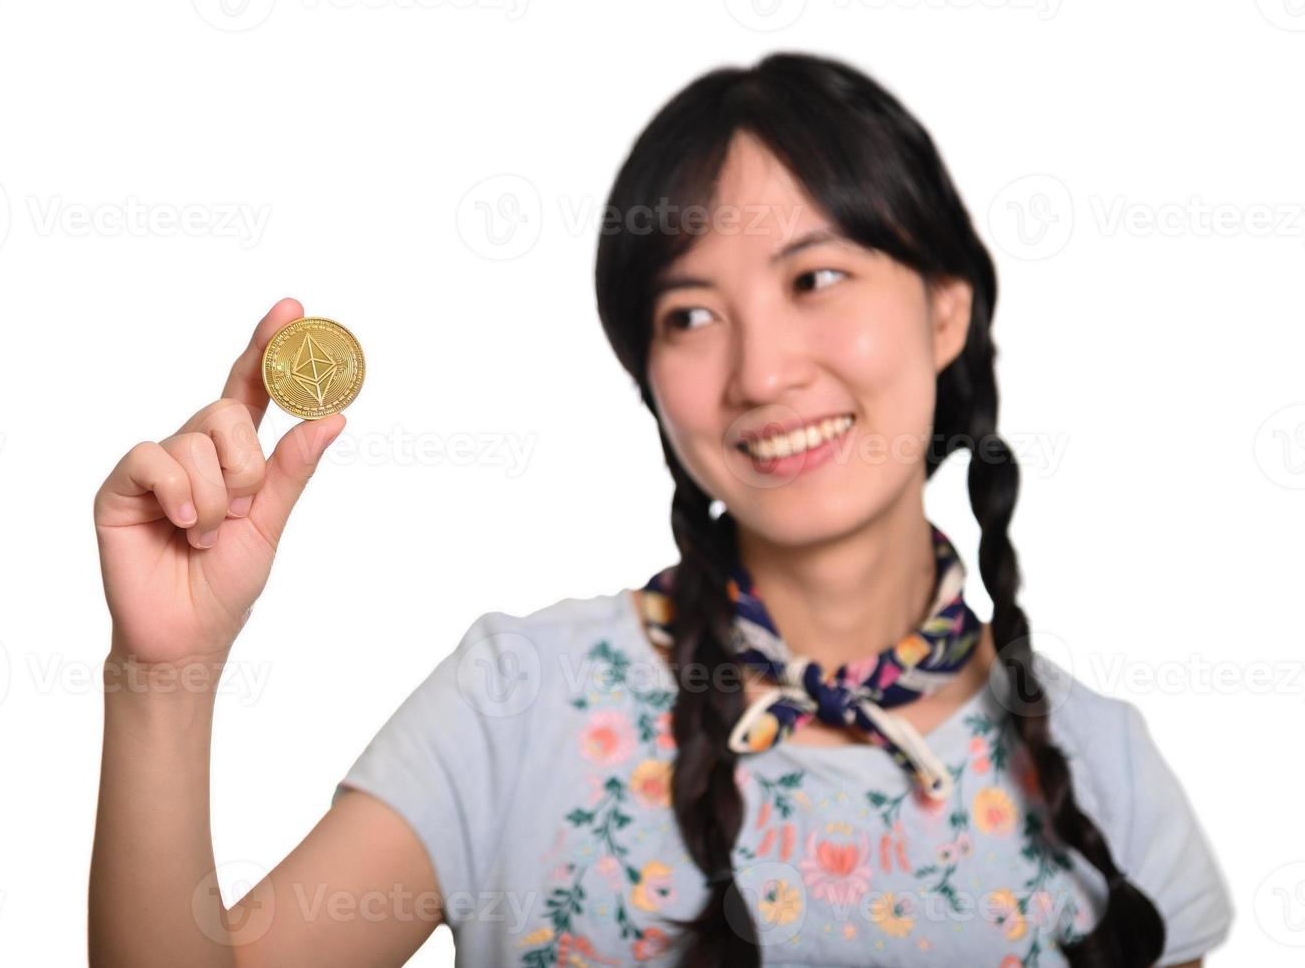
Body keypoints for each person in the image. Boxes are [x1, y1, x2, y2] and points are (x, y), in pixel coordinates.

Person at [88, 53, 1233, 968]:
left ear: (944, 310)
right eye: (690, 314)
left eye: (814, 278)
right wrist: (160, 673)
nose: (761, 371)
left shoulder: (1108, 775)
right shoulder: (518, 699)